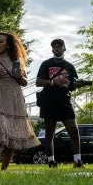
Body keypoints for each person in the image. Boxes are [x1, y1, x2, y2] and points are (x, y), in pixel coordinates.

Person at [0, 32, 40, 170]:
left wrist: (19, 76)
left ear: (8, 45)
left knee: (11, 134)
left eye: (0, 42)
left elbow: (24, 82)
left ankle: (4, 168)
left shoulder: (17, 61)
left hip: (14, 99)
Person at [35, 39, 83, 168]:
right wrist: (52, 82)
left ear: (64, 48)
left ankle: (77, 161)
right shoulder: (46, 64)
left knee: (73, 130)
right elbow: (38, 82)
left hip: (64, 101)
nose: (57, 48)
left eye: (59, 46)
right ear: (52, 50)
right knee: (50, 133)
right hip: (49, 101)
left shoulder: (70, 66)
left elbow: (72, 85)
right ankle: (51, 161)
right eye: (54, 47)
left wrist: (75, 85)